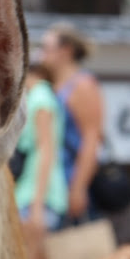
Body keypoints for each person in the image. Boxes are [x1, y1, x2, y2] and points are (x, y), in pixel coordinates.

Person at [13, 61, 67, 259]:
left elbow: (46, 151)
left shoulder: (41, 97)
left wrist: (36, 207)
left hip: (38, 197)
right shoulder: (41, 96)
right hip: (35, 195)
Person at [41, 22, 104, 223]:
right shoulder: (51, 85)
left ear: (66, 51)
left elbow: (92, 139)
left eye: (47, 48)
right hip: (51, 184)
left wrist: (78, 187)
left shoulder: (83, 86)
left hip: (70, 180)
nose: (42, 54)